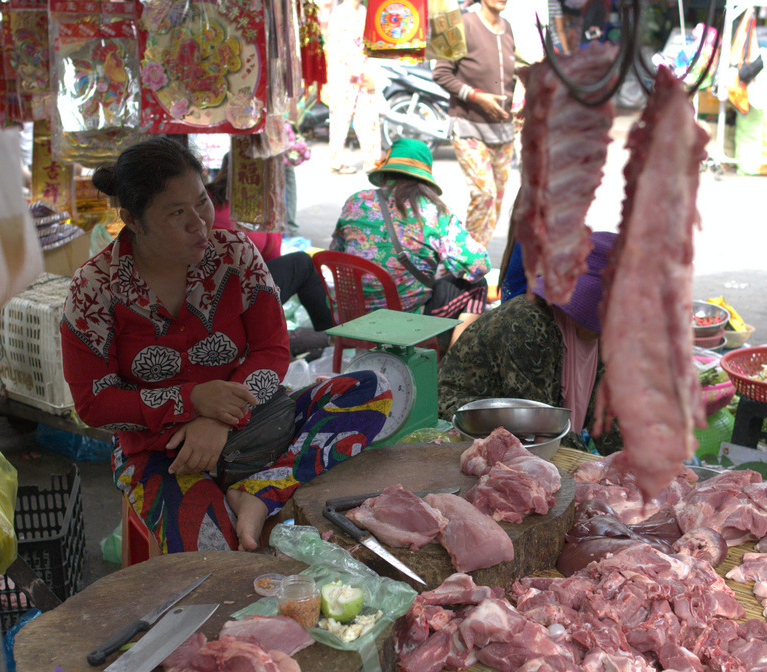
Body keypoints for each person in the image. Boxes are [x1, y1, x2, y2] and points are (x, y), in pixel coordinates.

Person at [61, 137, 390, 553]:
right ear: (132, 220)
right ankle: (253, 494)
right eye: (176, 213)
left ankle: (261, 491)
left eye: (201, 202)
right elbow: (94, 402)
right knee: (217, 555)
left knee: (373, 388)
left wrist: (219, 417)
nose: (199, 223)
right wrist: (192, 400)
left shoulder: (235, 254)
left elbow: (272, 350)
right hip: (163, 454)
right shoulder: (95, 289)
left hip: (255, 421)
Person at [438, 231, 622, 454]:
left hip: (529, 433)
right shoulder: (527, 324)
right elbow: (539, 427)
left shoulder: (597, 336)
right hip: (468, 424)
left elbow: (605, 415)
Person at [329, 138, 491, 346]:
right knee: (477, 285)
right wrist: (454, 268)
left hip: (350, 317)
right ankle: (453, 368)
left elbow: (336, 255)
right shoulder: (432, 211)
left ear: (387, 172)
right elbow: (479, 265)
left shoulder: (356, 201)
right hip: (403, 321)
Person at [206, 154, 335, 332]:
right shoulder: (266, 206)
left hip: (201, 288)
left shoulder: (205, 196)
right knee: (302, 263)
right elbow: (270, 260)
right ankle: (332, 335)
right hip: (234, 293)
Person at [433, 0, 516, 247]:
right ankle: (464, 259)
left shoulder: (508, 27)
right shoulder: (460, 24)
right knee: (484, 195)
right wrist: (476, 96)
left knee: (496, 202)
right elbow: (440, 73)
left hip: (504, 131)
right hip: (469, 126)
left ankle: (476, 256)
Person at [324, 0, 381, 174]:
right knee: (340, 118)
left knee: (368, 117)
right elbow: (339, 48)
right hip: (343, 74)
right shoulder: (341, 13)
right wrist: (362, 71)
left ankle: (372, 161)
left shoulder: (364, 11)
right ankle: (335, 161)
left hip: (362, 71)